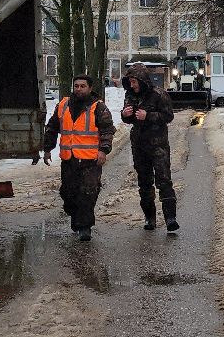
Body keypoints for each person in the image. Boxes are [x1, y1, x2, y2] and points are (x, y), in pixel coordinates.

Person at [41, 75, 114, 241]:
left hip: (90, 160)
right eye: (76, 86)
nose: (79, 89)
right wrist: (47, 149)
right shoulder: (63, 105)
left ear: (90, 88)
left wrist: (103, 150)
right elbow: (52, 127)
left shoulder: (98, 107)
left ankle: (85, 227)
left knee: (87, 193)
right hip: (69, 159)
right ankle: (76, 218)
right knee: (69, 193)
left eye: (82, 86)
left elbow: (107, 131)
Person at [120, 65, 178, 233]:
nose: (132, 85)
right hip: (139, 146)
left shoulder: (159, 94)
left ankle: (170, 219)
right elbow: (129, 120)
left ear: (142, 80)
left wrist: (149, 116)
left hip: (158, 146)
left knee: (164, 181)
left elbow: (168, 116)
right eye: (129, 82)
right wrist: (125, 115)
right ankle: (149, 218)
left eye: (134, 82)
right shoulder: (130, 95)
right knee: (144, 183)